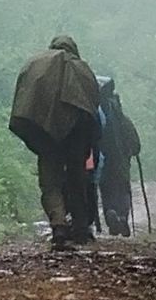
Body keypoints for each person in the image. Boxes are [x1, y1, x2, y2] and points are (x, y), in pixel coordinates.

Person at [9, 35, 101, 248]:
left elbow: (25, 100)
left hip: (45, 134)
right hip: (76, 135)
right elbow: (92, 107)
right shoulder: (82, 69)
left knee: (50, 181)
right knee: (76, 180)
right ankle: (80, 228)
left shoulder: (35, 64)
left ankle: (58, 225)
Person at [93, 76, 142, 237]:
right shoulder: (122, 118)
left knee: (106, 190)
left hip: (101, 160)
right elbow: (135, 144)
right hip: (121, 162)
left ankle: (111, 214)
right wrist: (131, 151)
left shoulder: (95, 113)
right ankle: (122, 217)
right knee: (123, 190)